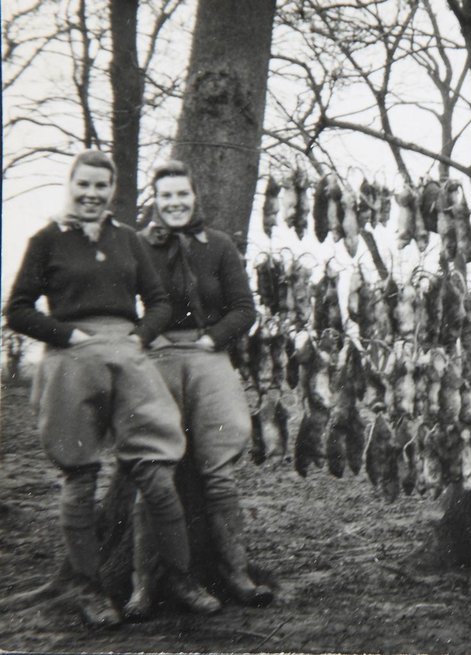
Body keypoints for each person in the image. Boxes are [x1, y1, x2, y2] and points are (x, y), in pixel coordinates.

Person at [3, 150, 222, 628]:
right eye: (84, 185)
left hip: (127, 358)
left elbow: (159, 301)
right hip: (70, 361)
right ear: (71, 185)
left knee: (157, 476)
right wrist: (70, 336)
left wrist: (138, 338)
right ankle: (88, 588)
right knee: (79, 481)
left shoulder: (126, 239)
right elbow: (17, 309)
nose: (92, 194)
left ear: (112, 192)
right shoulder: (47, 240)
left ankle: (180, 578)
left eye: (101, 186)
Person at [123, 160, 272, 620]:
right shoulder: (137, 245)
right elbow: (119, 304)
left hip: (208, 356)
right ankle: (145, 585)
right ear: (156, 200)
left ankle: (236, 574)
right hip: (156, 361)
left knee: (218, 470)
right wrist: (149, 336)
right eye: (166, 197)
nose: (174, 204)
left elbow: (244, 309)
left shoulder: (220, 246)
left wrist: (211, 340)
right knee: (154, 471)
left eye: (182, 196)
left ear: (194, 197)